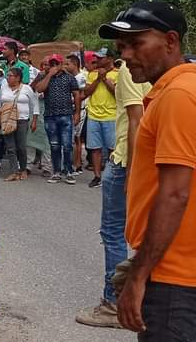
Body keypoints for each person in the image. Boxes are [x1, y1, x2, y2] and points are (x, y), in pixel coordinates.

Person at [98, 0, 196, 338]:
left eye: (136, 43)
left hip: (176, 278)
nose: (126, 55)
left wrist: (139, 275)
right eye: (121, 47)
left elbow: (175, 194)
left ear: (171, 42)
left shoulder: (179, 97)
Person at [76, 54, 151, 329]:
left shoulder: (130, 74)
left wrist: (132, 170)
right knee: (143, 231)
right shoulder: (159, 76)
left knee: (113, 231)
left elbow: (136, 119)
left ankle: (114, 304)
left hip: (123, 160)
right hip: (145, 159)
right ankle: (140, 299)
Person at [34, 53, 81, 183]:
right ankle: (56, 172)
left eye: (56, 64)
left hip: (66, 115)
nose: (54, 66)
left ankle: (69, 171)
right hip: (50, 116)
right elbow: (39, 89)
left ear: (61, 64)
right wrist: (49, 74)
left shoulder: (69, 78)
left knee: (67, 145)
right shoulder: (45, 76)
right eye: (52, 64)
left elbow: (76, 95)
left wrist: (77, 113)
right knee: (54, 145)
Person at [83, 48, 118, 188]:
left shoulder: (118, 74)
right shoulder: (92, 74)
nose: (97, 60)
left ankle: (113, 176)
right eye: (97, 57)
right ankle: (97, 176)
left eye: (101, 58)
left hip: (111, 116)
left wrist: (105, 79)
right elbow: (86, 92)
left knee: (112, 149)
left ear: (110, 59)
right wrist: (98, 79)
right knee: (94, 148)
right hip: (93, 115)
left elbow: (117, 93)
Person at [0, 67, 40, 181]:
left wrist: (34, 120)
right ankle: (13, 171)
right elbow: (0, 104)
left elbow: (35, 104)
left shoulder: (26, 89)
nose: (8, 78)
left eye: (10, 76)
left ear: (18, 78)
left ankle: (23, 169)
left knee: (21, 147)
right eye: (7, 76)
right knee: (10, 147)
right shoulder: (4, 88)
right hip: (7, 120)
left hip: (22, 120)